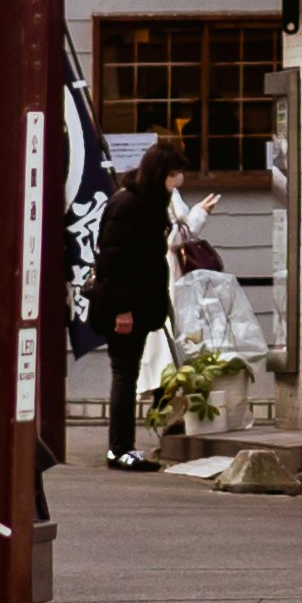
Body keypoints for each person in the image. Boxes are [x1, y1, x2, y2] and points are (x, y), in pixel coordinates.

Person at [96, 140, 185, 470]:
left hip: (139, 304)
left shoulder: (146, 202)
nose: (177, 180)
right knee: (124, 374)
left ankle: (121, 447)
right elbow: (113, 260)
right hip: (125, 307)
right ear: (162, 172)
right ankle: (120, 448)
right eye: (174, 173)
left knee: (127, 373)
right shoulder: (128, 204)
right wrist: (122, 309)